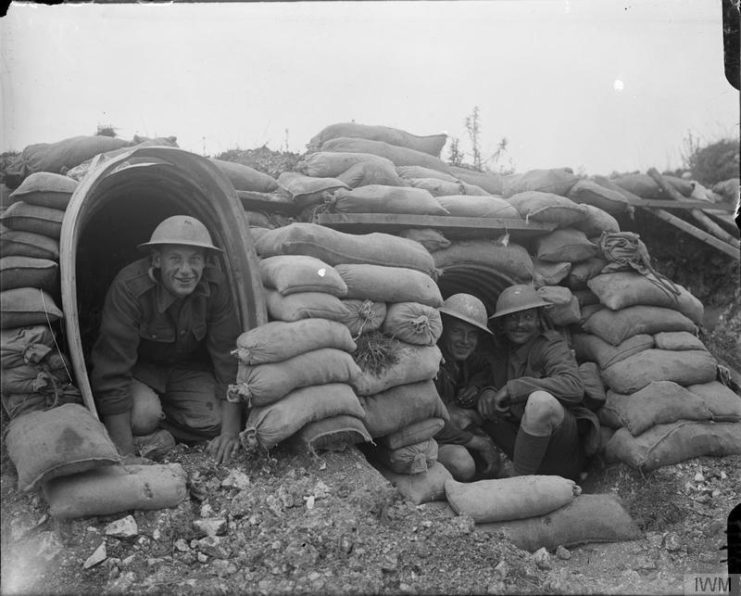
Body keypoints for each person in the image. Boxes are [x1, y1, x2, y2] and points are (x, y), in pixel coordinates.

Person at [90, 215, 242, 464]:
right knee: (144, 416)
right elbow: (112, 368)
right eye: (175, 259)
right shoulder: (130, 287)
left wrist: (230, 433)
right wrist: (125, 455)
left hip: (183, 370)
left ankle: (161, 436)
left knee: (215, 420)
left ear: (205, 262)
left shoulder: (215, 286)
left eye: (194, 259)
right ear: (157, 259)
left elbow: (228, 356)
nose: (186, 270)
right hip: (137, 370)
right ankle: (134, 434)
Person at [476, 284, 599, 480]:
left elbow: (573, 387)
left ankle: (520, 484)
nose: (520, 324)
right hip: (518, 442)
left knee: (541, 402)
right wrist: (486, 391)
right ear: (502, 323)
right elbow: (477, 376)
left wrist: (514, 388)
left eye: (528, 317)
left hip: (558, 451)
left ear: (538, 320)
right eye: (513, 318)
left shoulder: (550, 345)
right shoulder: (500, 350)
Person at [433, 293, 501, 481]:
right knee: (463, 465)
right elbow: (430, 423)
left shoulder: (461, 358)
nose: (465, 340)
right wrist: (479, 443)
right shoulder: (430, 364)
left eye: (472, 334)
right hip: (425, 435)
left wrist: (478, 386)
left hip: (447, 426)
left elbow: (483, 367)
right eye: (457, 331)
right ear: (443, 330)